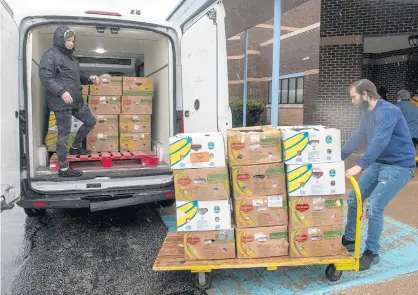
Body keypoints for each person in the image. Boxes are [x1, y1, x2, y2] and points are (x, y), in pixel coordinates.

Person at [341, 79, 415, 271]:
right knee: (353, 199)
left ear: (365, 94)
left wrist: (360, 165)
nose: (353, 102)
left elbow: (380, 140)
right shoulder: (367, 114)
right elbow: (359, 136)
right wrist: (337, 157)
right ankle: (349, 239)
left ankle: (372, 252)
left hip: (399, 166)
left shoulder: (388, 111)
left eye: (354, 97)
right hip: (379, 163)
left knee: (374, 206)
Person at [39, 26, 100, 177]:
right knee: (63, 134)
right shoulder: (50, 55)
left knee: (90, 121)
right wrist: (61, 91)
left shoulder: (73, 59)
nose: (71, 43)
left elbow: (78, 77)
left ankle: (76, 147)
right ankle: (64, 169)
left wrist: (89, 79)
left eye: (73, 41)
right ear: (60, 40)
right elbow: (46, 77)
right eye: (68, 40)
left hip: (76, 101)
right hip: (61, 102)